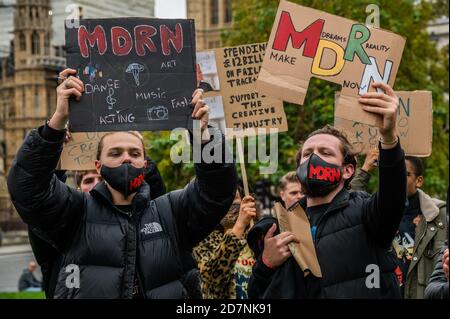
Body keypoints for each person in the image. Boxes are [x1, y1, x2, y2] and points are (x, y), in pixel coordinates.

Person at [7, 68, 237, 299]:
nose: (126, 158)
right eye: (115, 153)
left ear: (145, 164)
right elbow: (27, 188)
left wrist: (204, 138)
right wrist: (56, 124)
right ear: (98, 165)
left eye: (134, 153)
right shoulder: (76, 213)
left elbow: (215, 193)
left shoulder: (170, 212)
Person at [247, 82, 407, 299]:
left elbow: (393, 197)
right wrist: (265, 264)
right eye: (307, 153)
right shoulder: (280, 227)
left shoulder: (365, 212)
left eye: (326, 153)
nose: (314, 159)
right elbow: (256, 296)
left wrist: (389, 138)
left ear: (348, 170)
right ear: (298, 168)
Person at [351, 155, 447, 298]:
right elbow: (349, 208)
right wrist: (365, 170)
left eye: (403, 174)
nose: (395, 179)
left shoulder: (438, 215)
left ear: (418, 181)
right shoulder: (374, 212)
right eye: (390, 174)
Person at [193, 182, 258, 299]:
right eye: (223, 200)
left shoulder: (257, 238)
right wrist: (240, 225)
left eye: (234, 198)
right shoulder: (203, 240)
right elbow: (214, 278)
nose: (229, 204)